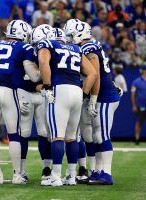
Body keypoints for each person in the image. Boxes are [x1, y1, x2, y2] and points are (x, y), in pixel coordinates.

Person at [0, 19, 41, 184]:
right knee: (14, 134)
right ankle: (17, 175)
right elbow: (33, 76)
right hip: (9, 92)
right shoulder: (24, 47)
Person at [37, 26, 97, 187]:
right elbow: (92, 73)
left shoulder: (48, 44)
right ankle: (71, 175)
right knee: (72, 137)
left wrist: (47, 86)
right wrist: (84, 94)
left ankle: (55, 175)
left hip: (59, 89)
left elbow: (43, 62)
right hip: (76, 91)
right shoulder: (76, 48)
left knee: (57, 135)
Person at [65, 20, 122, 185]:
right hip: (101, 94)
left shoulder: (89, 48)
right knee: (96, 135)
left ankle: (107, 173)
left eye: (71, 35)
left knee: (102, 135)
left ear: (80, 33)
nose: (69, 39)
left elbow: (95, 74)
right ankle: (97, 171)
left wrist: (93, 99)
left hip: (104, 96)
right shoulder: (88, 46)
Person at [18, 24, 54, 185]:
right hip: (26, 92)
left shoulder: (47, 51)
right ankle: (21, 170)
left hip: (40, 93)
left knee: (44, 132)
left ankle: (46, 168)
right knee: (24, 133)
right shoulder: (26, 50)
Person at [131, 65, 146, 145]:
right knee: (139, 122)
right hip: (141, 105)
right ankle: (137, 139)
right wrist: (134, 105)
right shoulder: (136, 81)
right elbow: (133, 94)